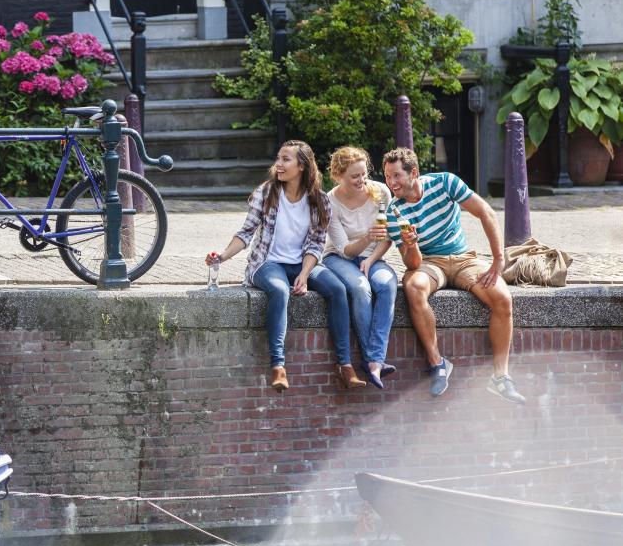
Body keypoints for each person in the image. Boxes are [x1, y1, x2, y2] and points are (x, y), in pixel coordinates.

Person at [206, 139, 366, 393]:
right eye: (278, 159)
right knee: (280, 291)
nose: (279, 164)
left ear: (302, 166)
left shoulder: (319, 201)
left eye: (285, 159)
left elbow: (316, 244)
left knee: (337, 289)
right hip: (267, 263)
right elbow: (246, 232)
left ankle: (344, 366)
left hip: (303, 263)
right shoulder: (267, 192)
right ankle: (278, 366)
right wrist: (223, 256)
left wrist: (304, 275)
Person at [381, 147, 525, 403]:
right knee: (413, 286)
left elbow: (486, 212)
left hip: (463, 258)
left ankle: (500, 377)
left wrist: (498, 260)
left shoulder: (444, 182)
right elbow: (412, 263)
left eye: (396, 176)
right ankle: (437, 364)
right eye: (387, 177)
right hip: (430, 262)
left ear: (413, 173)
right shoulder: (394, 211)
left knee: (502, 298)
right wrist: (411, 243)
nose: (391, 183)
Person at [322, 146, 398, 389]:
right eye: (355, 176)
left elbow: (388, 234)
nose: (361, 180)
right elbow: (344, 249)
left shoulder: (381, 192)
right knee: (361, 288)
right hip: (339, 257)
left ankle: (375, 359)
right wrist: (366, 238)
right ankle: (372, 359)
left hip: (371, 256)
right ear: (339, 176)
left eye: (364, 174)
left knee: (387, 284)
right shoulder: (330, 201)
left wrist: (372, 258)